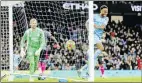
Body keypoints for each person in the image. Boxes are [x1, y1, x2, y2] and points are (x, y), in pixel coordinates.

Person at [78, 5, 109, 78]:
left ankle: (87, 73)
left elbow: (103, 27)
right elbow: (87, 23)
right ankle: (92, 61)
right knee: (101, 48)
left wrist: (96, 26)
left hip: (97, 36)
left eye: (107, 12)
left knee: (93, 56)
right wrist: (89, 30)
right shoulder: (94, 16)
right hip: (93, 35)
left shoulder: (106, 18)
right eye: (104, 11)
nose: (106, 13)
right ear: (101, 10)